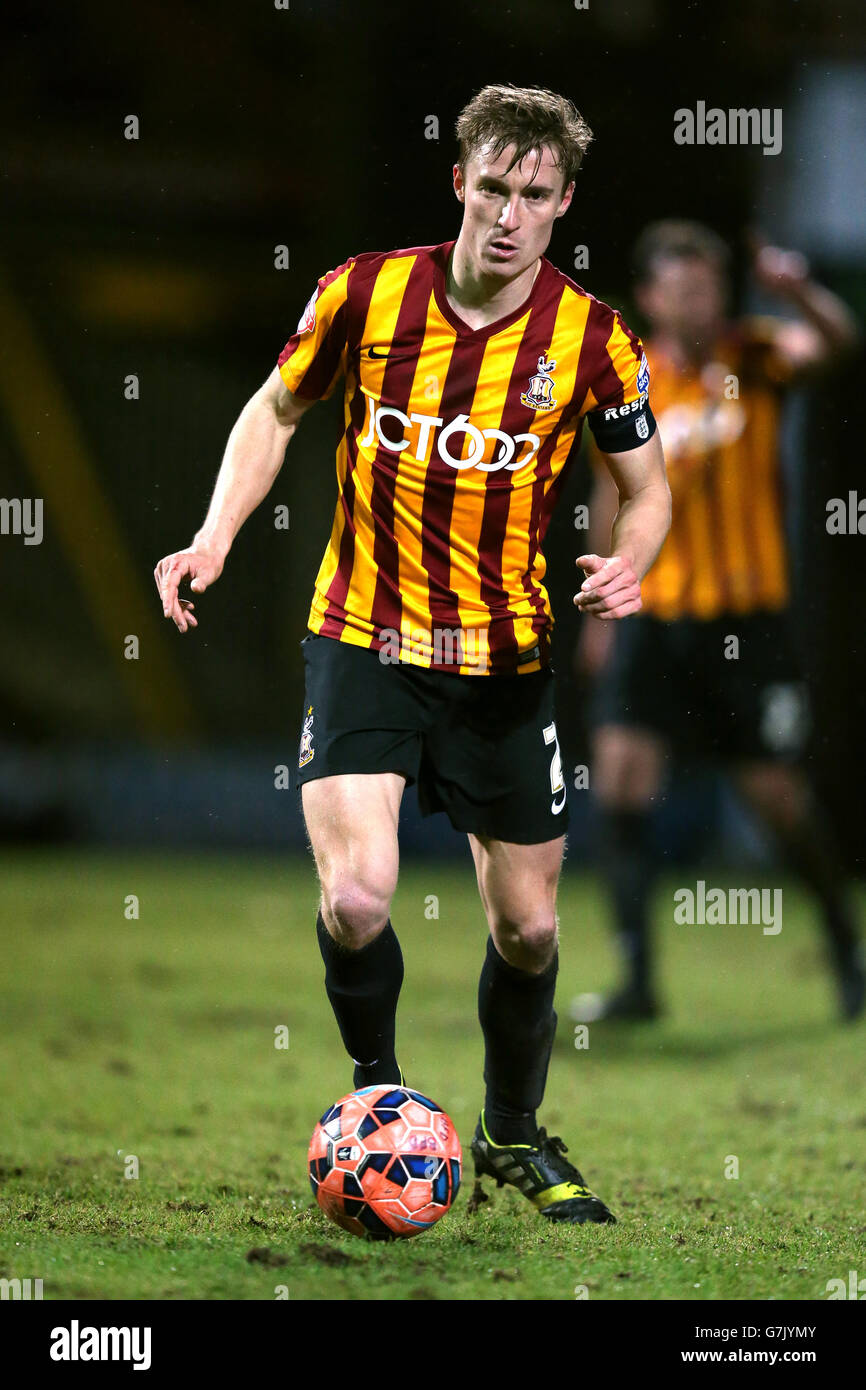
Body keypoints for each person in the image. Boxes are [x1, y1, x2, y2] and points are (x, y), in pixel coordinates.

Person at [153, 85, 671, 1227]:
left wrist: (631, 557)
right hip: (362, 637)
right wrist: (214, 536)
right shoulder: (365, 290)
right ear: (459, 181)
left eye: (533, 196)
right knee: (354, 895)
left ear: (561, 205)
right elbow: (276, 408)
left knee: (528, 929)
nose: (507, 214)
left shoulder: (593, 339)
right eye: (491, 186)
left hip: (504, 657)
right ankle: (377, 1101)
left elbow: (647, 486)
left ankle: (509, 1132)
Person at [572, 220, 863, 1024]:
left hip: (749, 620)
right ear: (652, 297)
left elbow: (839, 342)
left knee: (775, 793)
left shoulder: (756, 356)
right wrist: (602, 606)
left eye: (713, 286)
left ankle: (845, 945)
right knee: (623, 777)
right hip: (653, 614)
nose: (703, 301)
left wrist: (798, 287)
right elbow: (613, 494)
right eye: (686, 287)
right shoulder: (629, 382)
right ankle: (637, 980)